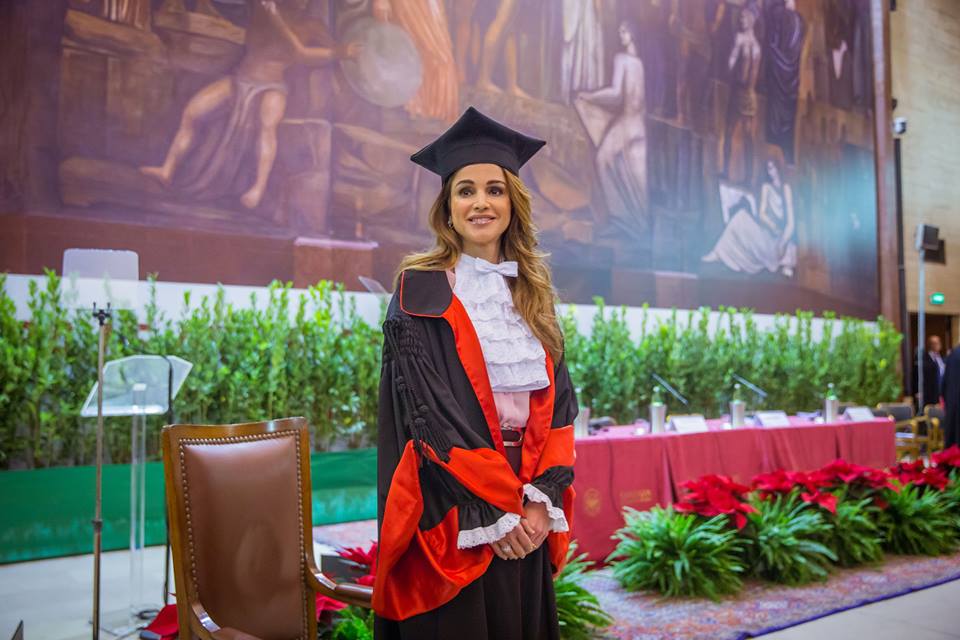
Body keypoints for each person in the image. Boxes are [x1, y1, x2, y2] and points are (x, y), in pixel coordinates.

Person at [373, 107, 578, 639]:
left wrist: (542, 500)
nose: (481, 202)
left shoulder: (532, 296)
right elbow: (429, 419)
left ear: (513, 203)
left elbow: (560, 411)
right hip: (456, 506)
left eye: (495, 190)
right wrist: (493, 509)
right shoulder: (419, 293)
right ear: (448, 208)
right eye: (466, 191)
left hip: (527, 504)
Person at [141, 0, 358, 209]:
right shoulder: (262, 8)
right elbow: (230, 7)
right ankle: (167, 170)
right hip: (240, 80)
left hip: (272, 86)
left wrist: (342, 52)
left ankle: (258, 189)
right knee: (193, 112)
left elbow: (309, 53)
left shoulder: (311, 25)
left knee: (267, 127)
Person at [576, 20, 648, 236]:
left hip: (627, 123)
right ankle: (637, 227)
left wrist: (589, 96)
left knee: (603, 160)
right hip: (639, 126)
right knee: (636, 181)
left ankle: (621, 220)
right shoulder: (640, 64)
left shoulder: (622, 59)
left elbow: (616, 94)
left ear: (632, 34)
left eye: (624, 31)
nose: (621, 35)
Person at [703, 157, 797, 277]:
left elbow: (791, 223)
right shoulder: (766, 187)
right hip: (767, 233)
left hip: (780, 240)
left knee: (784, 253)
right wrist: (772, 226)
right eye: (769, 169)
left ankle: (719, 253)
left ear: (779, 167)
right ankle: (718, 253)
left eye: (773, 168)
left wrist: (782, 242)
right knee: (740, 217)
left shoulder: (786, 189)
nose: (771, 172)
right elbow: (762, 214)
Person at [914, 334, 946, 409]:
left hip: (941, 391)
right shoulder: (924, 358)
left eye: (939, 342)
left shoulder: (941, 358)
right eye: (935, 343)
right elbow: (918, 374)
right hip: (928, 392)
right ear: (930, 345)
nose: (939, 345)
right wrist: (917, 391)